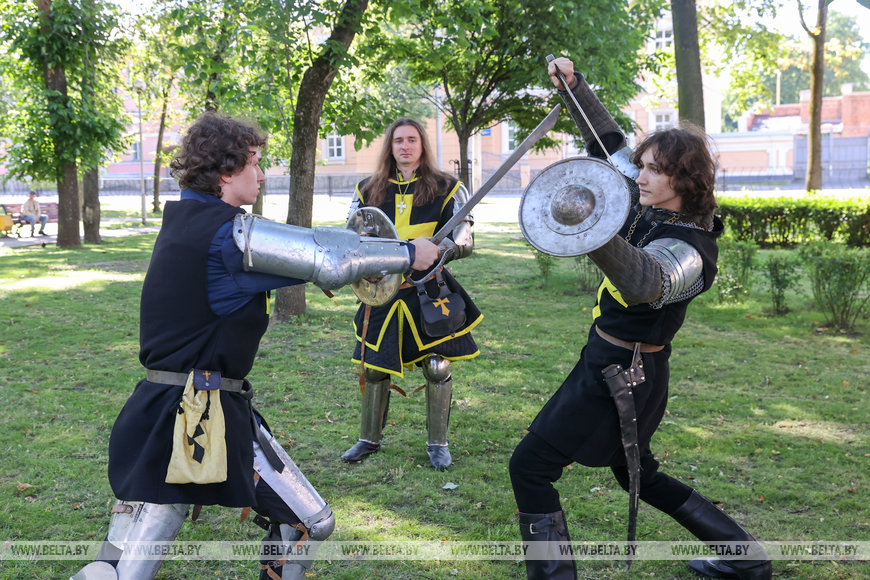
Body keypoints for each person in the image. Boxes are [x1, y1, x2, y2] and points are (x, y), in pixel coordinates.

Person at [71, 112, 438, 580]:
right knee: (310, 522)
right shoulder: (227, 235)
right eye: (255, 163)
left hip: (163, 407)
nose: (262, 175)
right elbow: (328, 259)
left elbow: (315, 258)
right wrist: (409, 253)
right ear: (226, 172)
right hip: (195, 413)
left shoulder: (190, 222)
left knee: (124, 554)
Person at [508, 57, 771, 580]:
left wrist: (590, 229)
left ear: (685, 180)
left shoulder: (692, 247)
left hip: (623, 375)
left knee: (530, 467)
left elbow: (646, 282)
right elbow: (608, 145)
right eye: (644, 166)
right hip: (613, 363)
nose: (641, 175)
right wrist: (575, 85)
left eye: (655, 169)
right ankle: (749, 559)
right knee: (638, 475)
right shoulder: (652, 203)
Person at [340, 118, 483, 469]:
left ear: (422, 145)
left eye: (412, 140)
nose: (405, 146)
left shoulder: (447, 187)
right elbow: (351, 237)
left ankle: (438, 444)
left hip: (429, 288)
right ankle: (368, 438)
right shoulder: (367, 190)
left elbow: (465, 239)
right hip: (382, 289)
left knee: (436, 366)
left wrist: (440, 249)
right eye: (399, 140)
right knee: (375, 368)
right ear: (390, 146)